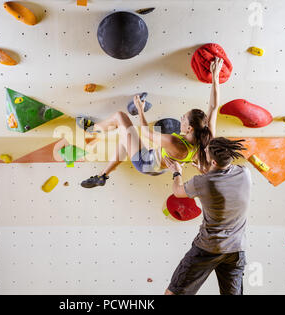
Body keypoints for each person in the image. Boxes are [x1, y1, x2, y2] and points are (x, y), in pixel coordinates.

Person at [77, 57, 224, 188]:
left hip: (145, 162)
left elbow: (146, 133)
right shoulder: (206, 137)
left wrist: (140, 110)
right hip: (157, 165)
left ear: (190, 128)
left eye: (183, 119)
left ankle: (93, 130)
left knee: (120, 117)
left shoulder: (174, 142)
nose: (181, 119)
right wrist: (215, 77)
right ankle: (102, 176)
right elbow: (213, 107)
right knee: (125, 139)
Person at [163, 137, 251, 295]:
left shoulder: (201, 182)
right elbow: (221, 179)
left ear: (214, 163)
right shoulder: (244, 173)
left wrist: (177, 171)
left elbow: (178, 191)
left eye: (206, 152)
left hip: (208, 248)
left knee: (174, 293)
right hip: (236, 249)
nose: (203, 151)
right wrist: (207, 171)